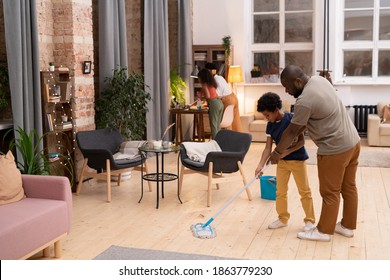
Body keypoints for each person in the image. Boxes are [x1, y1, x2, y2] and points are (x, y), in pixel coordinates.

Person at [269, 65, 360, 242]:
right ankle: (347, 226)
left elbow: (291, 132)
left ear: (298, 81)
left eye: (287, 87)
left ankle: (324, 231)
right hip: (353, 143)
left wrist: (277, 153)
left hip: (334, 150)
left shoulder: (304, 100)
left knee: (329, 192)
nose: (286, 91)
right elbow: (316, 114)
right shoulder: (320, 81)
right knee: (349, 187)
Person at [255, 92, 315, 232]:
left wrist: (285, 152)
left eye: (267, 115)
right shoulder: (270, 125)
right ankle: (283, 218)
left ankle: (310, 221)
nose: (266, 118)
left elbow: (301, 142)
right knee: (280, 191)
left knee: (304, 191)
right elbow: (268, 148)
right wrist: (260, 166)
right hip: (282, 163)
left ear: (276, 110)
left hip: (298, 161)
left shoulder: (292, 119)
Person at [205, 63, 242, 131]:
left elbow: (216, 95)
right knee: (235, 121)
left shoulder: (214, 80)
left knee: (227, 122)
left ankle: (228, 139)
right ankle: (239, 138)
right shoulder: (220, 77)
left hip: (227, 100)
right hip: (233, 97)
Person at [197, 68, 224, 139]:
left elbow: (208, 96)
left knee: (213, 126)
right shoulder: (211, 83)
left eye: (199, 78)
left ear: (202, 77)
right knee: (217, 126)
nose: (198, 80)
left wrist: (201, 98)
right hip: (219, 102)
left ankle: (215, 143)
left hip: (214, 103)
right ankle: (219, 142)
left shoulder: (204, 84)